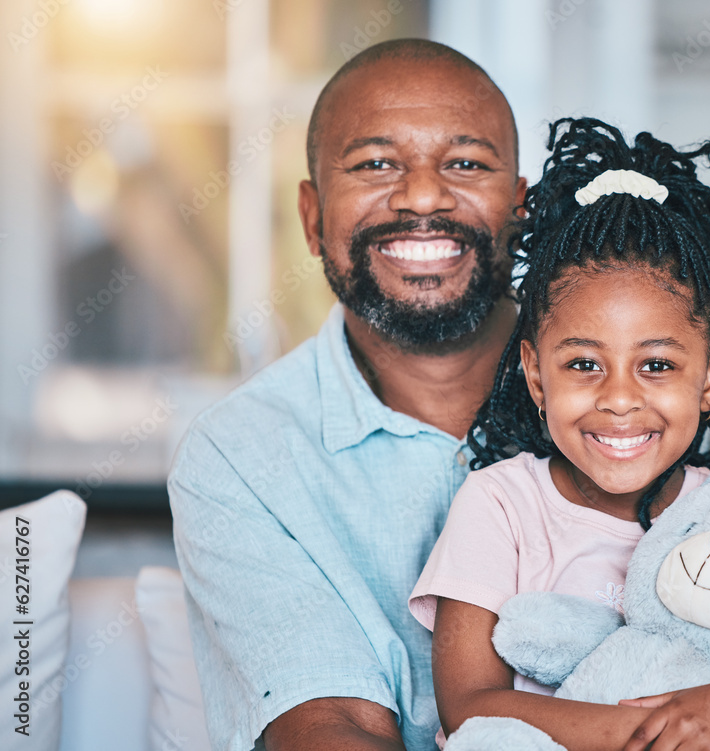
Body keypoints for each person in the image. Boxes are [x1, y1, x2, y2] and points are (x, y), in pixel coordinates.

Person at [409, 118, 710, 750]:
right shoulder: (500, 506)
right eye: (582, 365)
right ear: (535, 375)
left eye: (657, 365)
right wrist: (660, 735)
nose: (620, 398)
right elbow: (469, 708)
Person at [168, 39, 526, 751]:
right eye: (374, 164)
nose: (423, 196)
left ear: (520, 209)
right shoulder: (238, 456)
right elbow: (333, 726)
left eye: (465, 163)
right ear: (312, 216)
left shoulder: (651, 402)